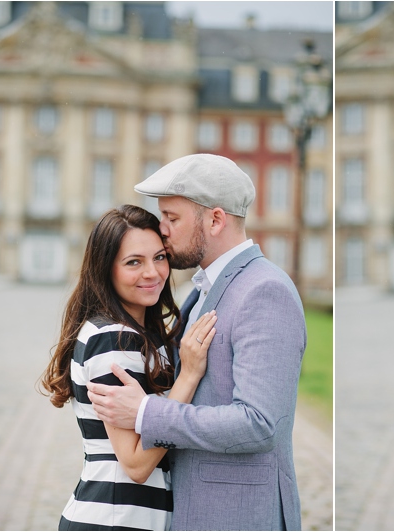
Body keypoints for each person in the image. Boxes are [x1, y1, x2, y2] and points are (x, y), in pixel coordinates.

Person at [84, 154, 307, 531]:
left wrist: (147, 413)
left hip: (236, 515)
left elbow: (260, 423)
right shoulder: (200, 291)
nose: (162, 229)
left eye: (172, 218)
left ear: (215, 220)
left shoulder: (264, 290)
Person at [41, 205, 217, 530]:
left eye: (159, 257)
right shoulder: (114, 338)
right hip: (113, 518)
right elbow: (136, 465)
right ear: (106, 269)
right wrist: (189, 376)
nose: (152, 273)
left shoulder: (134, 334)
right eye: (134, 262)